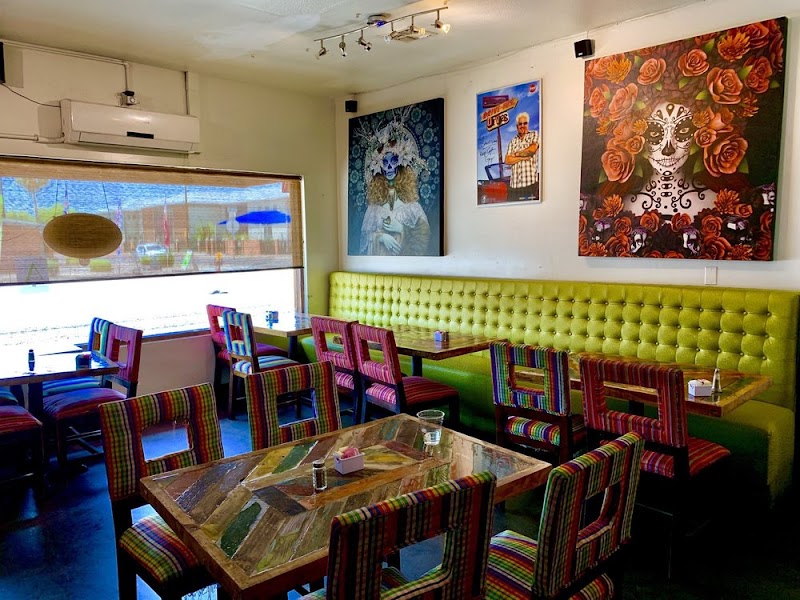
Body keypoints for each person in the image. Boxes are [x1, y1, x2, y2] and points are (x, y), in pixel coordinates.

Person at [504, 112, 540, 202]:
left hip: (530, 184)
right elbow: (507, 160)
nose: (522, 126)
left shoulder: (534, 134)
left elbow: (532, 150)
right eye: (520, 124)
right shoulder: (512, 141)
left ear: (528, 124)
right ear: (517, 126)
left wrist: (515, 154)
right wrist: (522, 157)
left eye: (525, 123)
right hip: (514, 186)